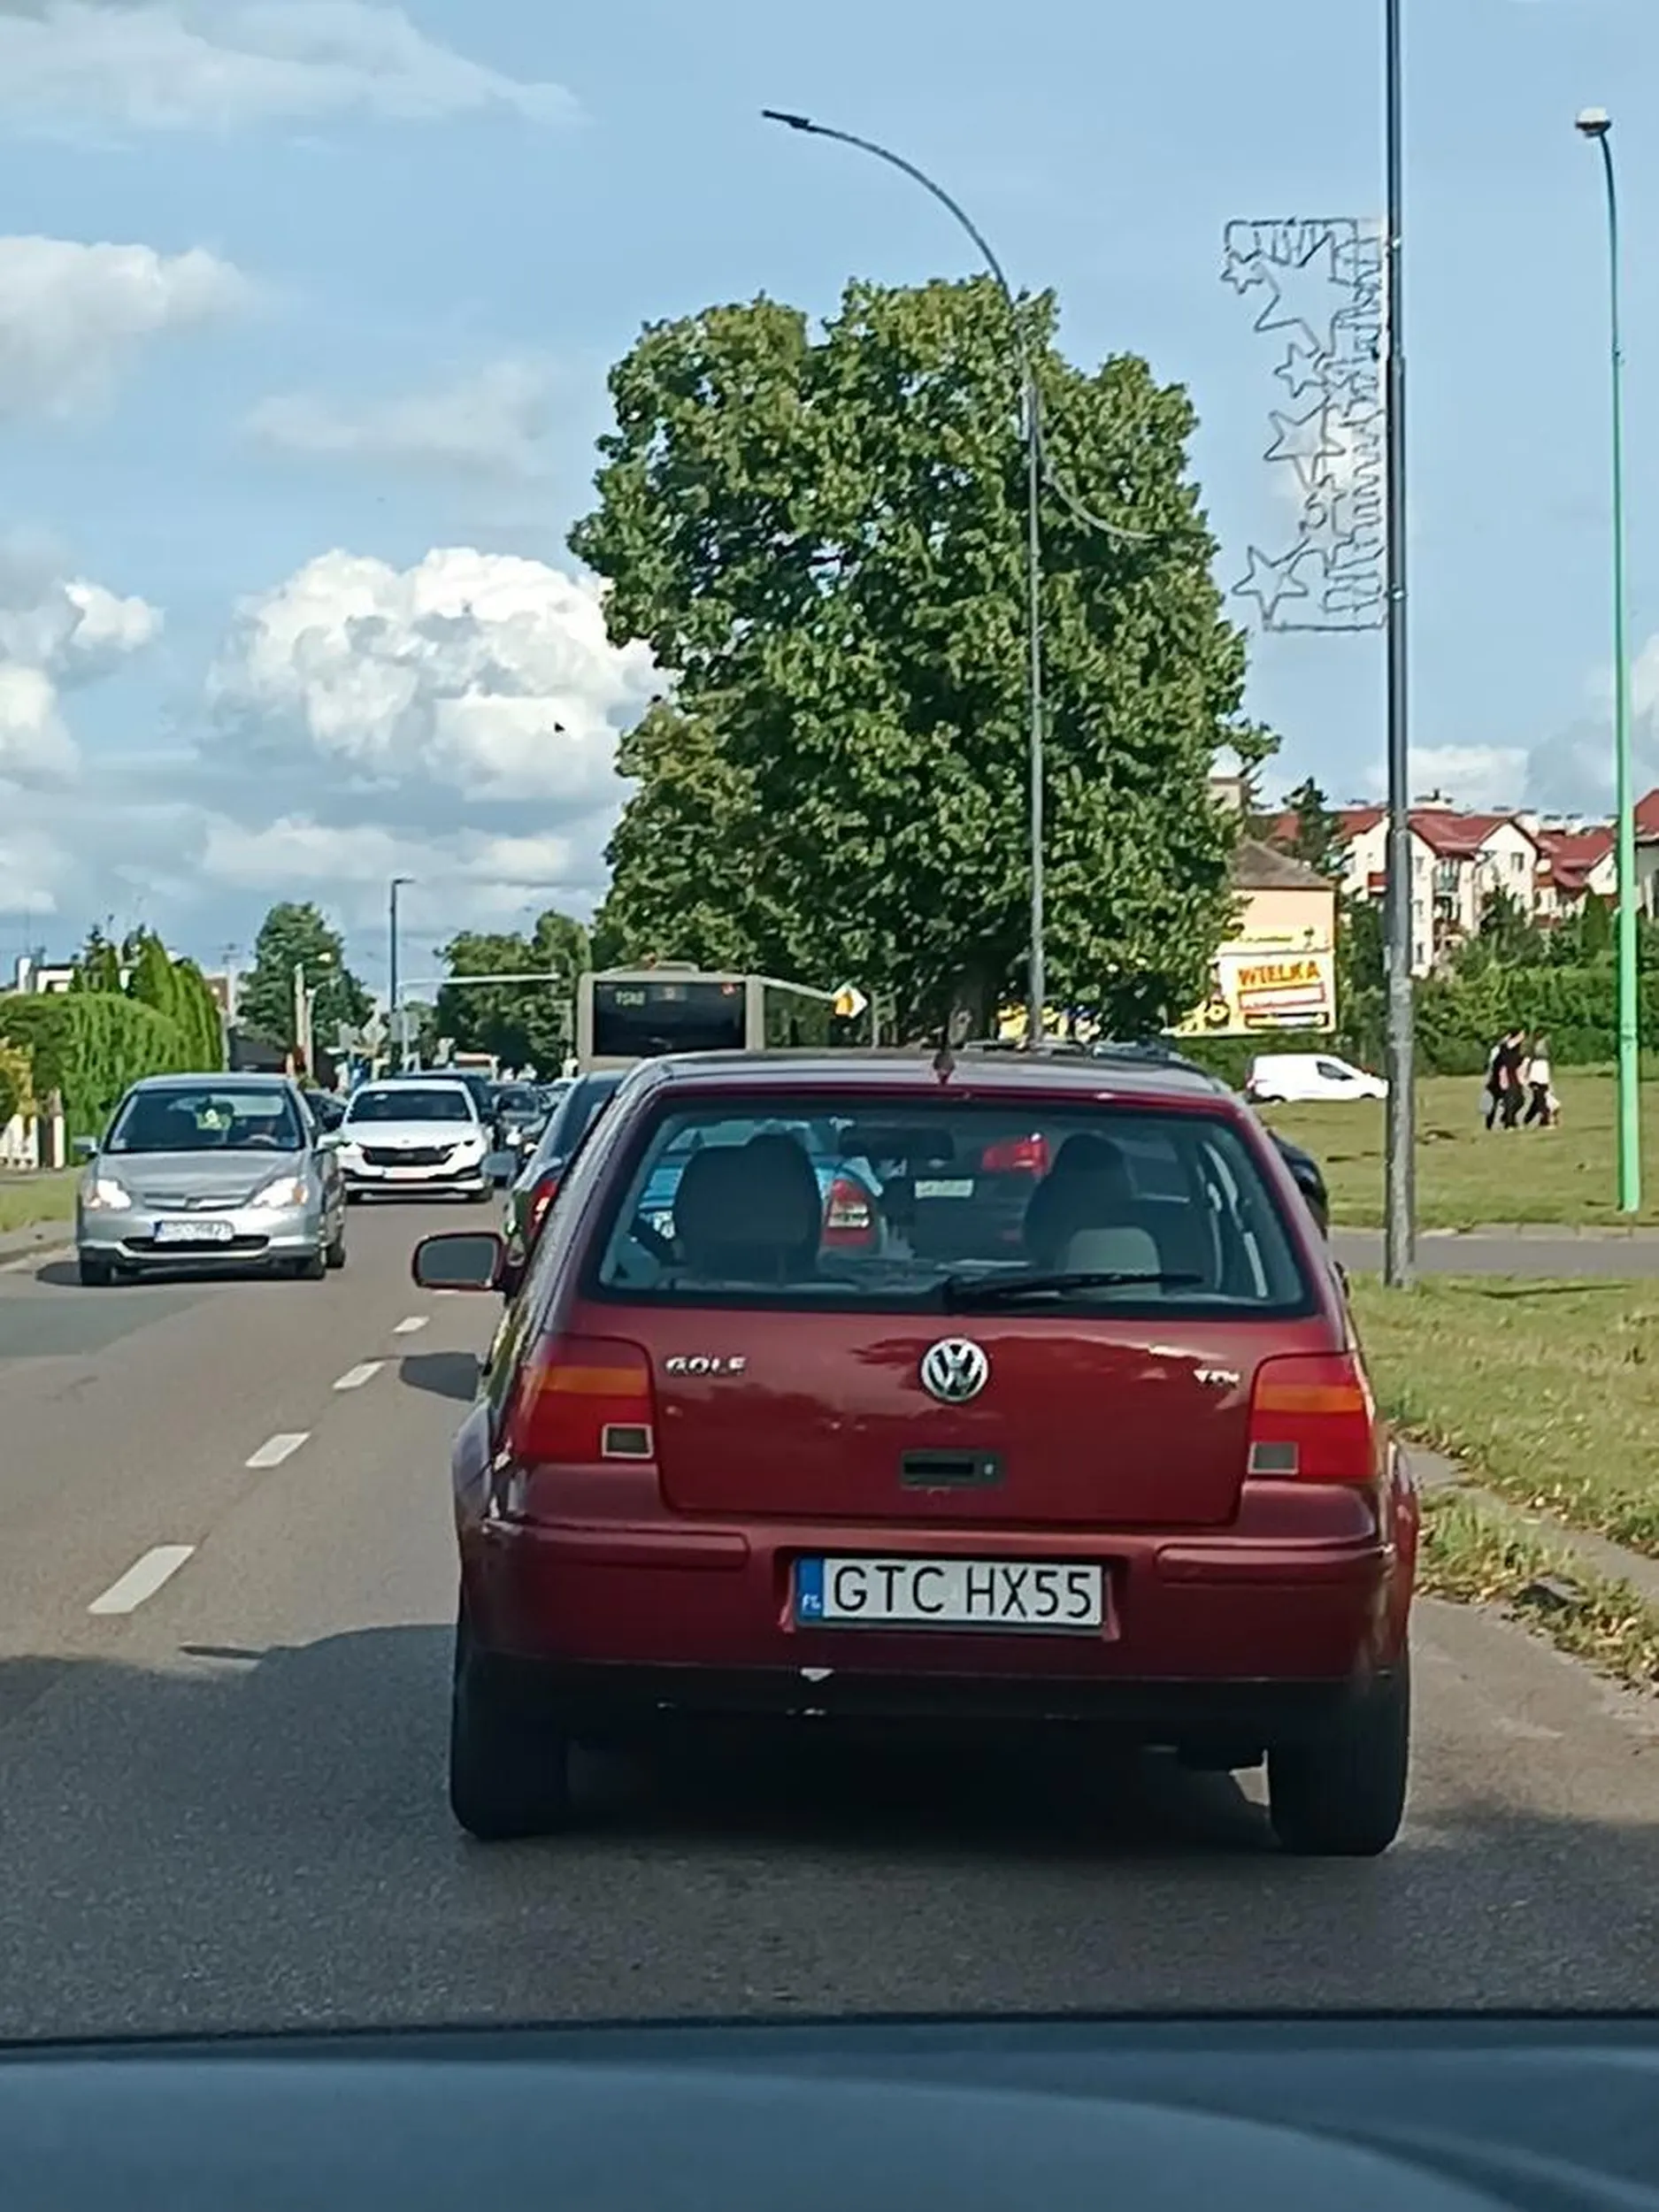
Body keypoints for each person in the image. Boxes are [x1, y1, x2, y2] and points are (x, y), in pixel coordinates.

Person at [1523, 1034, 1555, 1127]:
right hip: (1537, 1073)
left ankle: (1528, 1119)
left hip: (1542, 1073)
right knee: (1540, 1098)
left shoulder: (1544, 1048)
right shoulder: (1535, 1048)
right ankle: (1545, 1119)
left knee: (1538, 1099)